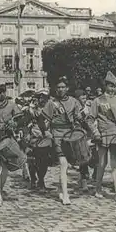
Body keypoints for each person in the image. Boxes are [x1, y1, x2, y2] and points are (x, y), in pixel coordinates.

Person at [89, 71, 116, 202]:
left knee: (115, 163)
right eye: (110, 86)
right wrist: (95, 132)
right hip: (102, 135)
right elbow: (90, 119)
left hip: (115, 135)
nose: (113, 88)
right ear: (105, 86)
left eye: (114, 86)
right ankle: (97, 189)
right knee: (102, 163)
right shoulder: (98, 100)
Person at [42, 76, 82, 205]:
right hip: (57, 135)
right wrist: (46, 131)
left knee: (70, 164)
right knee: (63, 164)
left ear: (67, 88)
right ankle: (65, 195)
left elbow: (78, 118)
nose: (60, 89)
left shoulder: (74, 101)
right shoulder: (51, 103)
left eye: (63, 87)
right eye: (58, 87)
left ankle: (60, 188)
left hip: (70, 136)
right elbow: (43, 120)